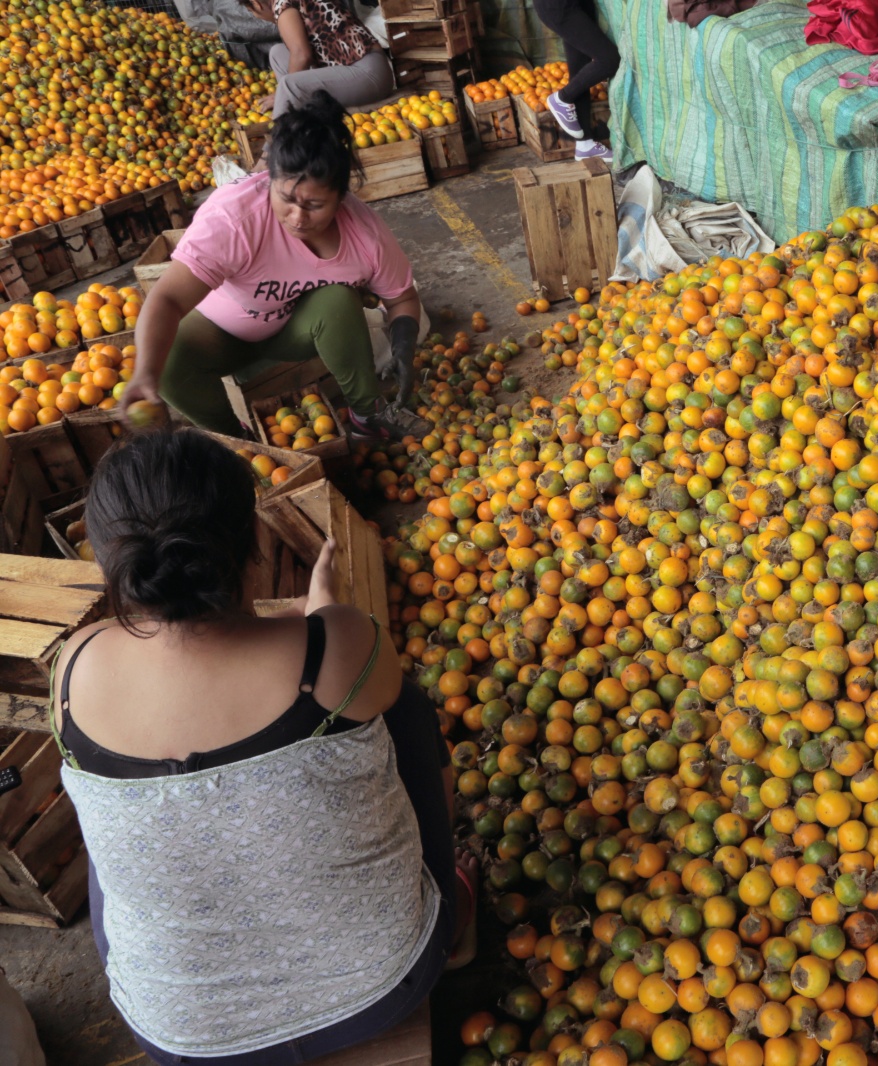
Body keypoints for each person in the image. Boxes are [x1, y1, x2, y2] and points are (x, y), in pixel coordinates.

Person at [50, 430, 475, 1065]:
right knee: (405, 710)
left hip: (181, 1036)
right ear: (252, 542)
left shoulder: (72, 670)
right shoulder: (337, 649)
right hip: (385, 983)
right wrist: (324, 617)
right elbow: (340, 664)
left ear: (111, 564)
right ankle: (455, 905)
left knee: (118, 820)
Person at [126, 92, 430, 441]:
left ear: (341, 197)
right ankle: (241, 442)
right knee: (165, 358)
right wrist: (145, 374)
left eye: (315, 205)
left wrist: (404, 349)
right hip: (220, 330)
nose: (298, 217)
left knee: (338, 300)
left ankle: (366, 415)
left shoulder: (364, 235)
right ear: (268, 179)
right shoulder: (234, 218)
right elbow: (167, 300)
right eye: (286, 199)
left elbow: (402, 298)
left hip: (295, 331)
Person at [246, 0, 395, 119]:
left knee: (288, 85)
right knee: (277, 52)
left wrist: (282, 95)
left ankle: (272, 152)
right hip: (358, 69)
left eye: (252, 13)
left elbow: (302, 55)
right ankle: (297, 117)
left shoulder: (282, 5)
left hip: (369, 75)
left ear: (256, 4)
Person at [531, 0, 619, 163]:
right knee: (610, 59)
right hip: (559, 6)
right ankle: (562, 98)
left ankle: (585, 145)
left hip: (578, 4)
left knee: (579, 67)